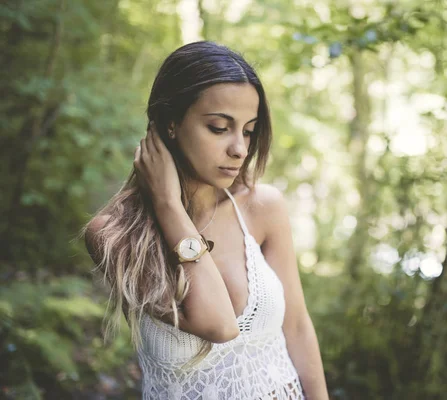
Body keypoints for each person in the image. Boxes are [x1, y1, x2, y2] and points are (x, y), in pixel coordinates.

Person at [84, 41, 329, 399]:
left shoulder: (263, 207)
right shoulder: (116, 234)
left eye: (248, 130)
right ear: (170, 123)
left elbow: (297, 326)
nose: (240, 149)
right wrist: (169, 205)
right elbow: (218, 323)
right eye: (218, 127)